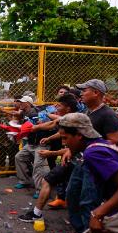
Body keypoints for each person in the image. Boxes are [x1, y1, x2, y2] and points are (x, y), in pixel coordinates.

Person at [18, 94, 79, 222]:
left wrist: (52, 152)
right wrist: (47, 135)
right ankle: (37, 213)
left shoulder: (77, 119)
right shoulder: (65, 118)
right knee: (51, 180)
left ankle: (82, 223)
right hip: (70, 156)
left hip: (82, 160)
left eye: (59, 105)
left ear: (68, 108)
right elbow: (54, 124)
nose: (56, 106)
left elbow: (81, 145)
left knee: (78, 190)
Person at [13, 96, 53, 199]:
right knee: (19, 157)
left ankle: (40, 190)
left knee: (38, 165)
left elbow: (40, 125)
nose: (20, 103)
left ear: (28, 103)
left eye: (22, 102)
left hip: (41, 143)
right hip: (31, 144)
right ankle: (24, 181)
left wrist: (37, 125)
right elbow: (17, 115)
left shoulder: (36, 113)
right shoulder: (24, 113)